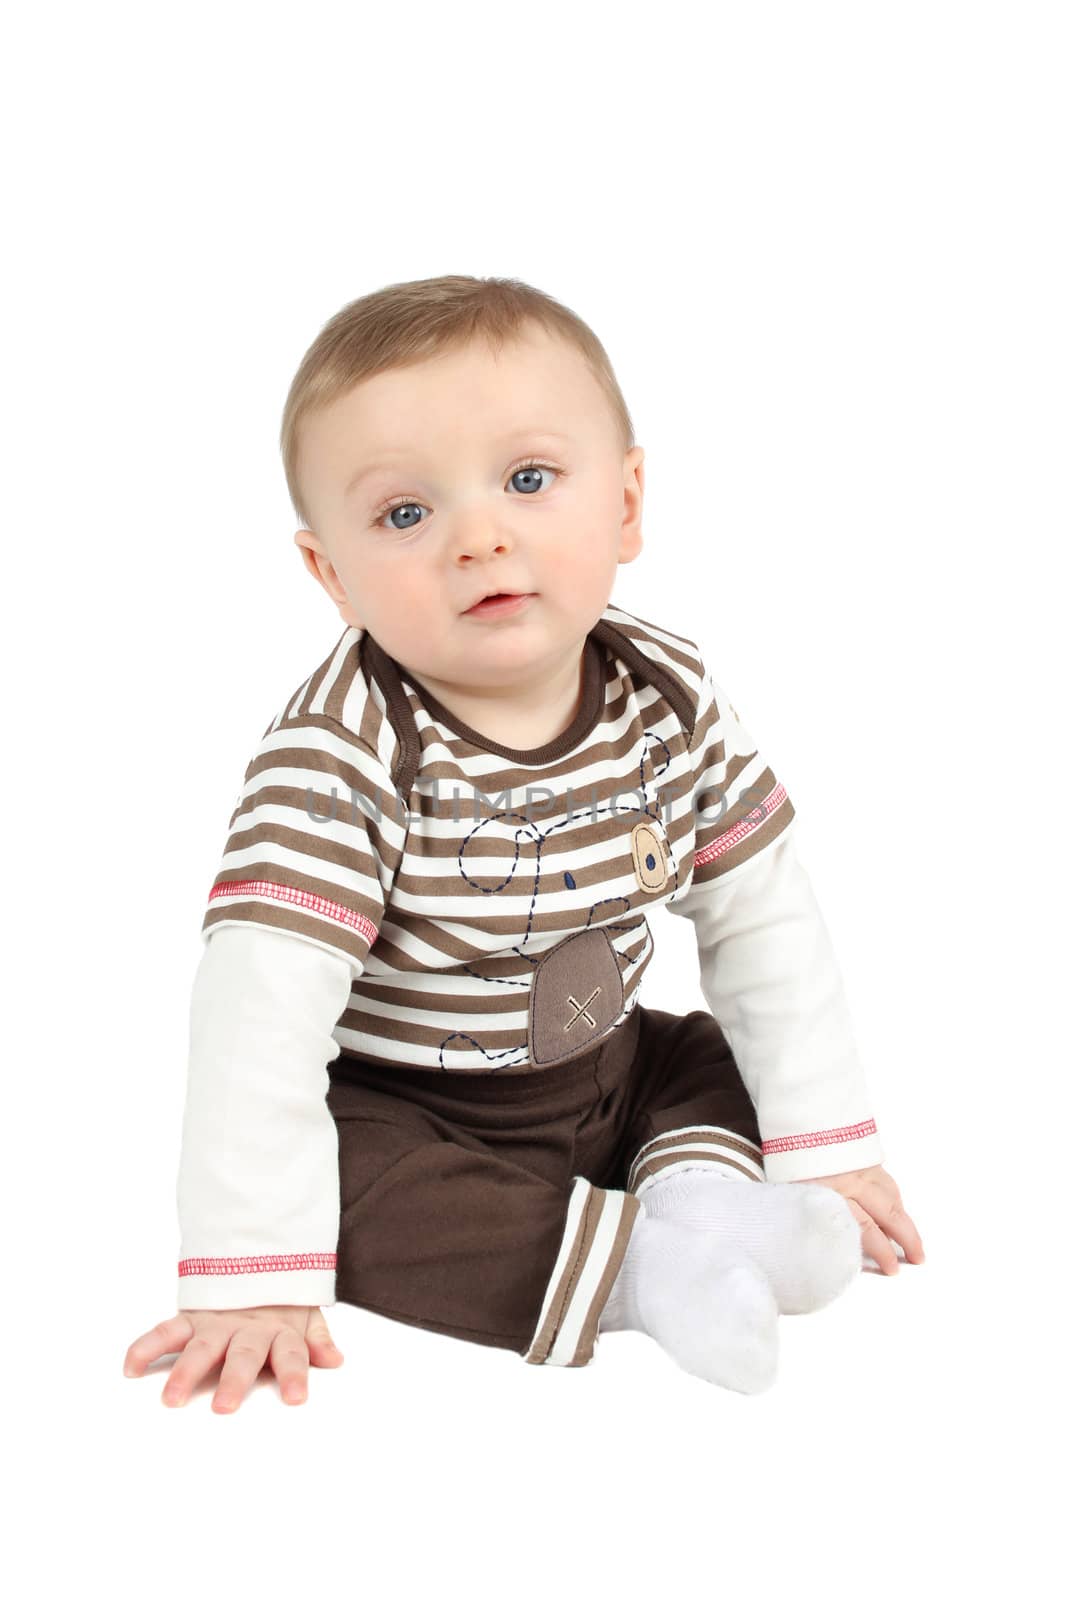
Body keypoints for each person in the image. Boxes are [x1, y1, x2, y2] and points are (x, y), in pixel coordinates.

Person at [122, 275, 925, 1412]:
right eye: (406, 514)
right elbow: (260, 1012)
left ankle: (708, 1202)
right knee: (349, 1190)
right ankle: (644, 1273)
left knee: (708, 1058)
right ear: (331, 575)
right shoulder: (344, 751)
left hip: (606, 1066)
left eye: (529, 479)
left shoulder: (667, 692)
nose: (480, 538)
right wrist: (254, 1271)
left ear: (629, 500)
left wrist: (825, 1145)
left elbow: (762, 915)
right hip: (413, 1106)